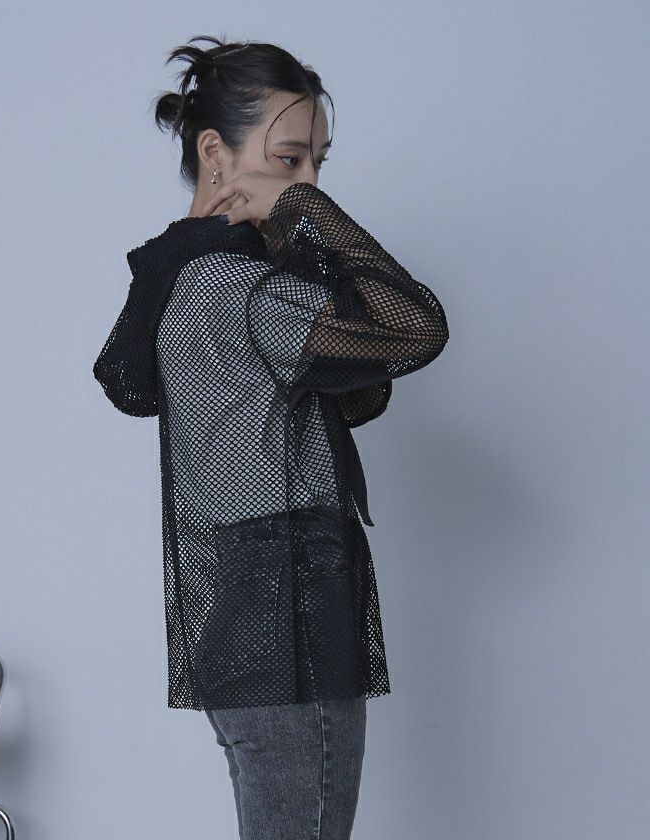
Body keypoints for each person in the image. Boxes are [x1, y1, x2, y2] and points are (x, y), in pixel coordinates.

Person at [93, 34, 449, 840]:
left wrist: (289, 224)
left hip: (237, 606)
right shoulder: (246, 287)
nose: (308, 182)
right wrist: (309, 217)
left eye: (318, 163)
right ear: (214, 152)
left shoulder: (181, 277)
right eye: (290, 160)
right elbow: (418, 329)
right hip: (291, 603)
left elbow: (353, 389)